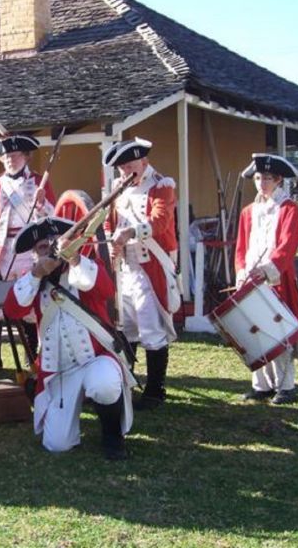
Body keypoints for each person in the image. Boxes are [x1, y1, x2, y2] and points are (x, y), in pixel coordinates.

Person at [4, 217, 135, 460]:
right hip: (61, 370)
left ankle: (112, 437)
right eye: (43, 247)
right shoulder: (33, 280)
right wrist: (35, 274)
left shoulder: (84, 265)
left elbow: (105, 290)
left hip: (96, 358)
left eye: (55, 243)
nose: (51, 249)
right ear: (36, 253)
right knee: (57, 444)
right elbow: (12, 310)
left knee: (104, 383)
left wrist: (74, 258)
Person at [104, 138, 178, 410]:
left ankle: (156, 389)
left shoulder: (161, 185)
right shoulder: (118, 188)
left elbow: (160, 221)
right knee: (126, 325)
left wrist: (131, 232)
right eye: (122, 167)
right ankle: (128, 379)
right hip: (125, 267)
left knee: (151, 327)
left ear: (143, 161)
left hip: (151, 267)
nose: (125, 171)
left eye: (130, 165)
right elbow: (112, 221)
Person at [236, 154, 298, 405]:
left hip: (276, 280)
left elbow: (286, 248)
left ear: (278, 180)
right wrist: (243, 271)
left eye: (267, 178)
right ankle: (261, 385)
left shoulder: (289, 209)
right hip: (251, 281)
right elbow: (241, 248)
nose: (262, 183)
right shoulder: (248, 211)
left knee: (279, 334)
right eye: (258, 178)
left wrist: (266, 270)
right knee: (254, 332)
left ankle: (285, 386)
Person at [0, 134, 56, 370]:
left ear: (25, 156)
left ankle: (31, 353)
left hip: (30, 249)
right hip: (4, 250)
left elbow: (53, 217)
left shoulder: (39, 182)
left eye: (14, 155)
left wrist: (43, 203)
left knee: (29, 298)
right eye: (6, 156)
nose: (10, 160)